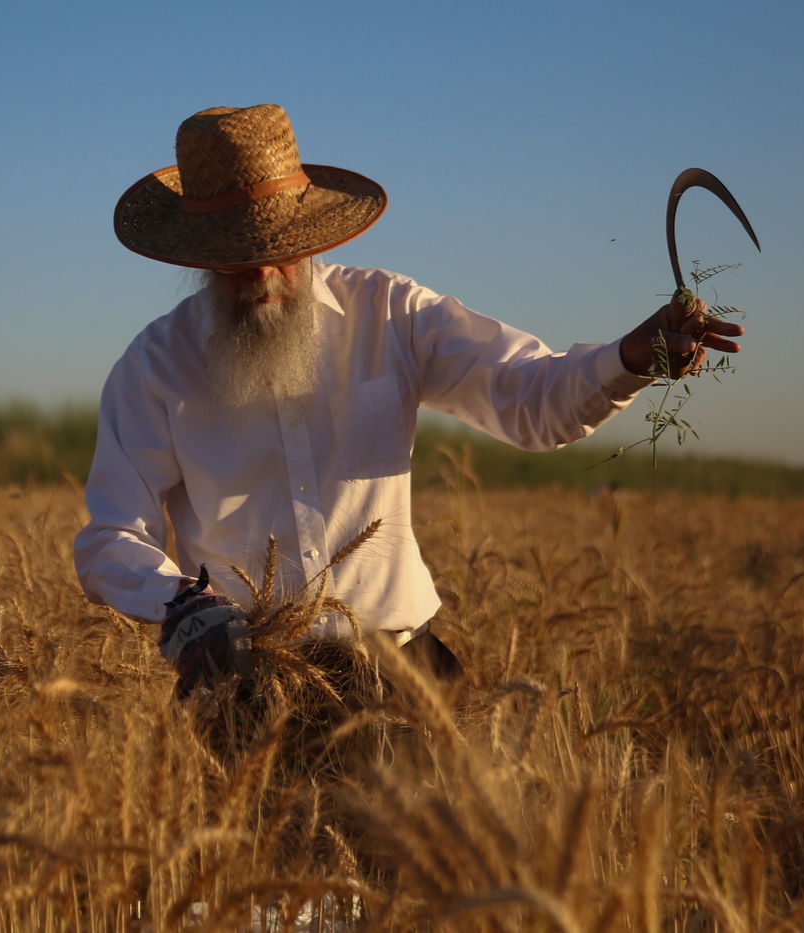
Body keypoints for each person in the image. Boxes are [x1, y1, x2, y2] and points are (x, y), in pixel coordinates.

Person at [73, 104, 742, 701]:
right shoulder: (154, 367)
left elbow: (533, 401)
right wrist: (183, 605)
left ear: (311, 234)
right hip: (252, 685)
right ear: (198, 258)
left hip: (406, 673)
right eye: (237, 259)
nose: (265, 274)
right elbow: (111, 536)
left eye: (281, 249)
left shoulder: (394, 313)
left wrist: (631, 357)